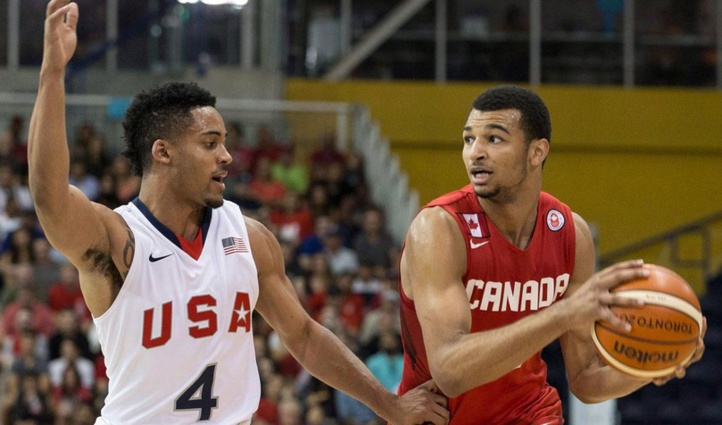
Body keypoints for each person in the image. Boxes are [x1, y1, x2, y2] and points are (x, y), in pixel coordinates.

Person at [28, 2, 449, 424]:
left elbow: (303, 336)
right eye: (210, 143)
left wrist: (389, 405)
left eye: (225, 143)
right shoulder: (119, 238)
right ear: (163, 152)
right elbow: (49, 197)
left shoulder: (248, 236)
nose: (227, 156)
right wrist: (53, 74)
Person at [395, 85, 707, 424]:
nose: (475, 153)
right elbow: (450, 372)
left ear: (536, 152)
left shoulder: (571, 234)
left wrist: (654, 364)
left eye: (494, 139)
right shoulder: (439, 229)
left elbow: (587, 379)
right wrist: (563, 314)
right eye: (469, 139)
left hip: (531, 414)